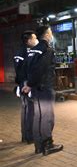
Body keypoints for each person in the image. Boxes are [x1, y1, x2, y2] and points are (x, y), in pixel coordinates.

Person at [23, 25, 63, 155]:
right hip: (44, 88)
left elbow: (28, 68)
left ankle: (38, 146)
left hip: (35, 88)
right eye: (50, 32)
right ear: (46, 35)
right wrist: (30, 83)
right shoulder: (46, 50)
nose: (51, 34)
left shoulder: (33, 50)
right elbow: (40, 69)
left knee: (37, 116)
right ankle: (48, 144)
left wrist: (29, 83)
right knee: (47, 117)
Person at [13, 30, 38, 144]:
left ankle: (25, 135)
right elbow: (23, 70)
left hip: (22, 83)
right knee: (30, 110)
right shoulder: (26, 52)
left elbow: (17, 70)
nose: (36, 40)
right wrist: (27, 84)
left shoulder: (20, 51)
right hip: (26, 84)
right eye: (34, 38)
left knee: (25, 110)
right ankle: (29, 136)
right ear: (28, 41)